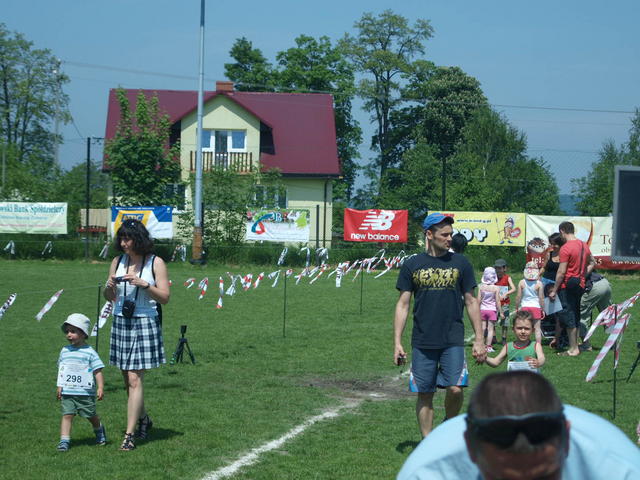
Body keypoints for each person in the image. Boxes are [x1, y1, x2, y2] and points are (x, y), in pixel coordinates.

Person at [397, 371, 640, 480]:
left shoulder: (622, 470)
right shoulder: (427, 473)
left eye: (543, 478)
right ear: (470, 446)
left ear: (566, 439)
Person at [394, 212, 486, 438]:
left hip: (452, 338)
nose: (449, 238)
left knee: (455, 389)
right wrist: (397, 342)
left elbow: (471, 301)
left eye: (450, 234)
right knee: (425, 393)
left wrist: (480, 339)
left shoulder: (461, 263)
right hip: (423, 339)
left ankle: (448, 426)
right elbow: (403, 304)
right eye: (444, 235)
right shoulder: (412, 264)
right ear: (429, 234)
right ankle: (428, 442)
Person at [104, 218, 170, 451]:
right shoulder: (117, 261)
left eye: (128, 238)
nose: (124, 243)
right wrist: (109, 288)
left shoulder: (155, 262)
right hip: (121, 321)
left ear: (139, 239)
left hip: (145, 321)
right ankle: (144, 419)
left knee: (134, 379)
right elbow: (109, 297)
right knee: (127, 380)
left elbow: (165, 297)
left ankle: (129, 435)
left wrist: (144, 285)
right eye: (121, 238)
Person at [56, 313, 106, 451]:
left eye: (73, 331)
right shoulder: (64, 351)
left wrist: (100, 387)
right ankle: (64, 441)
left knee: (90, 415)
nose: (69, 335)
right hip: (68, 391)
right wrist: (59, 386)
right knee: (67, 415)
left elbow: (98, 371)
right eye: (67, 331)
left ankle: (99, 430)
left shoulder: (90, 352)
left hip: (85, 392)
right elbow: (62, 370)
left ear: (83, 334)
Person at [548, 221, 595, 357]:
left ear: (562, 231)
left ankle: (573, 349)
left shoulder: (566, 248)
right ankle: (575, 346)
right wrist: (582, 275)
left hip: (567, 285)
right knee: (575, 314)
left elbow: (561, 272)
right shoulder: (584, 245)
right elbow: (592, 262)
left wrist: (554, 290)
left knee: (568, 315)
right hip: (580, 284)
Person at [579, 271, 612, 351]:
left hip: (594, 286)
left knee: (580, 315)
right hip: (605, 283)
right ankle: (614, 343)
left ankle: (586, 345)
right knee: (608, 315)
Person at [515, 262, 545, 343]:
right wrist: (542, 309)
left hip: (525, 306)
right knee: (537, 329)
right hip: (536, 307)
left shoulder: (522, 282)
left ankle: (523, 343)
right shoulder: (539, 283)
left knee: (524, 328)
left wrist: (517, 307)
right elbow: (541, 298)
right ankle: (538, 346)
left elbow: (518, 297)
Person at [477, 267, 503, 352]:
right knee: (490, 329)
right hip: (492, 310)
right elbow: (497, 301)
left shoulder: (481, 287)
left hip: (482, 310)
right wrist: (501, 312)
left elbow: (478, 300)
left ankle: (481, 344)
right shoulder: (496, 288)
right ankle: (488, 346)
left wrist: (477, 310)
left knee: (482, 328)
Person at [494, 259, 516, 345]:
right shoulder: (493, 278)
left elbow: (514, 288)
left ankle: (504, 338)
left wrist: (506, 293)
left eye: (499, 268)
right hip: (494, 304)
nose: (498, 270)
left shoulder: (507, 278)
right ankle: (493, 337)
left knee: (505, 322)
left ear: (504, 269)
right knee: (493, 321)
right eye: (496, 268)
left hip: (504, 304)